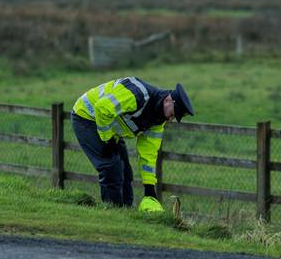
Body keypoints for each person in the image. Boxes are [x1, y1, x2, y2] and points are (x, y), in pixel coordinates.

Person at [71, 77, 194, 212]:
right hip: (86, 116)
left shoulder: (158, 122)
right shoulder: (137, 94)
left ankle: (126, 213)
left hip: (109, 128)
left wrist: (149, 188)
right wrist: (108, 140)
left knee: (126, 173)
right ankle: (112, 214)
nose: (170, 119)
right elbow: (102, 108)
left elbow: (148, 155)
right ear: (168, 100)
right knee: (111, 167)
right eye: (172, 114)